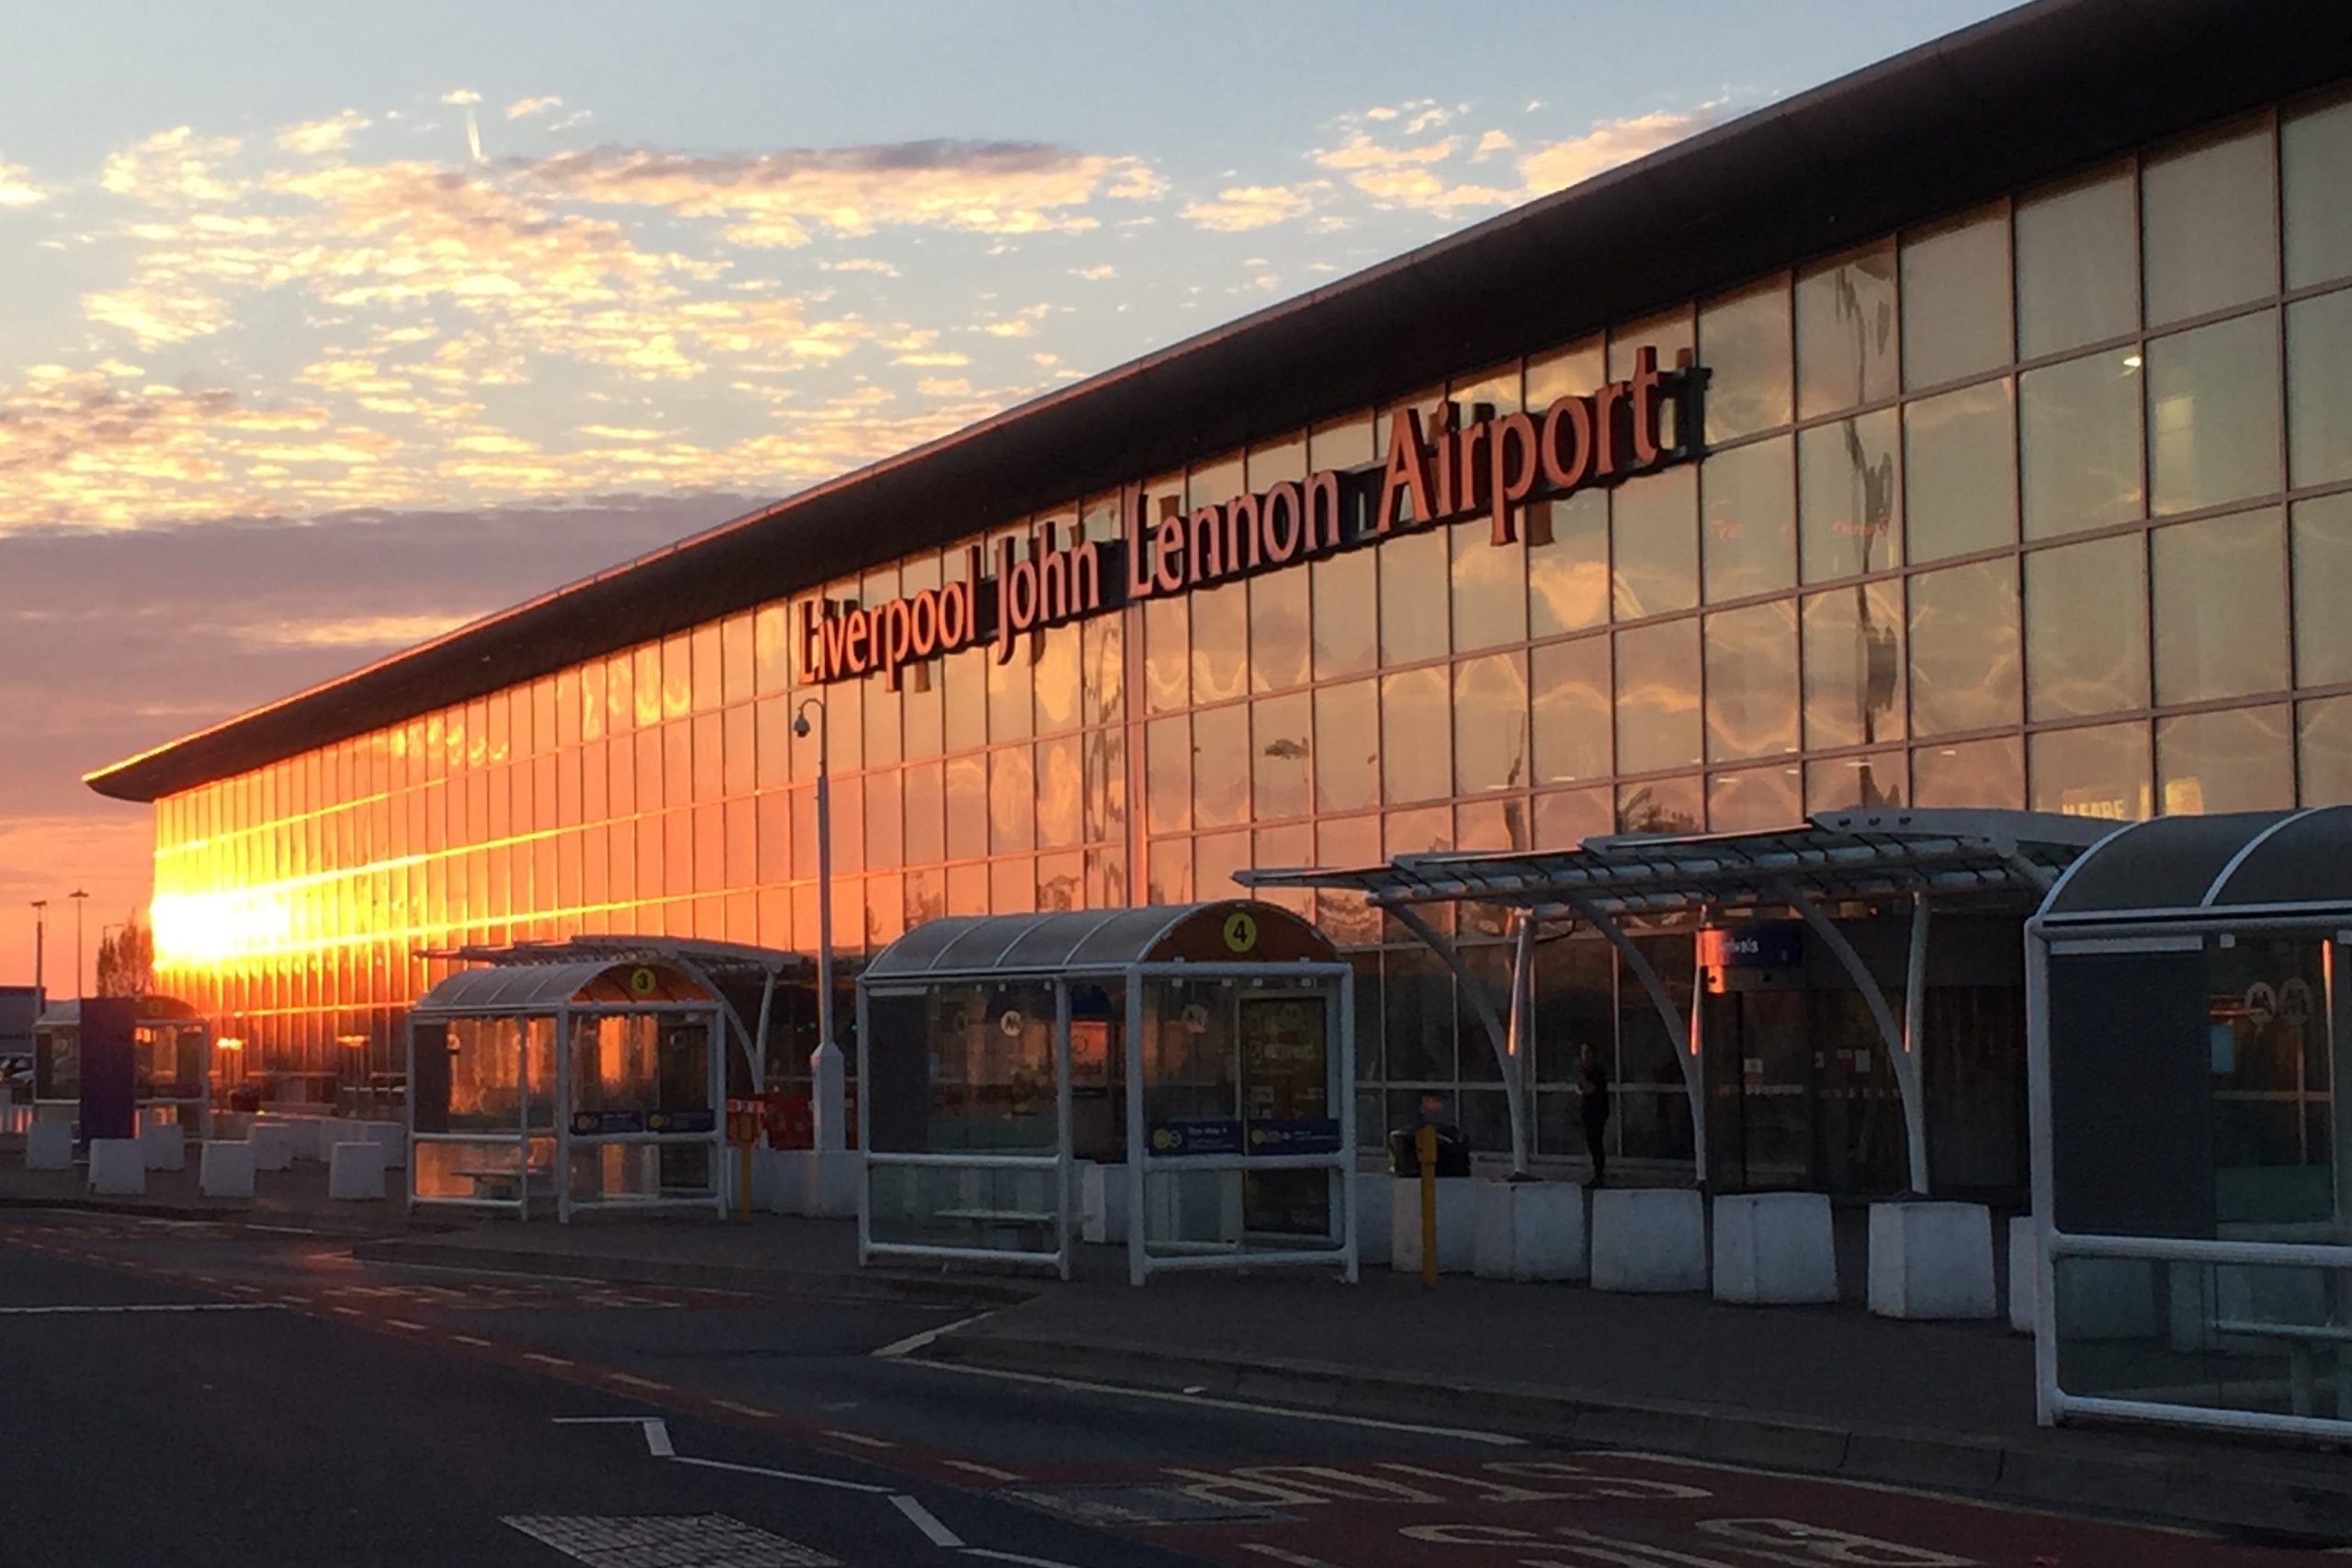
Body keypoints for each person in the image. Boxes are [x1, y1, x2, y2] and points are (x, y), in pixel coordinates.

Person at [1577, 1043, 1611, 1188]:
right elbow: (1581, 1090)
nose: (1584, 1056)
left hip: (1597, 1112)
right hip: (1589, 1111)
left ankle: (1599, 1173)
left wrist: (1583, 1080)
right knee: (1592, 1142)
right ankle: (1597, 1171)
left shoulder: (1598, 1072)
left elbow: (1591, 1089)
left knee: (1596, 1142)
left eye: (1587, 1053)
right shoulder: (1586, 1071)